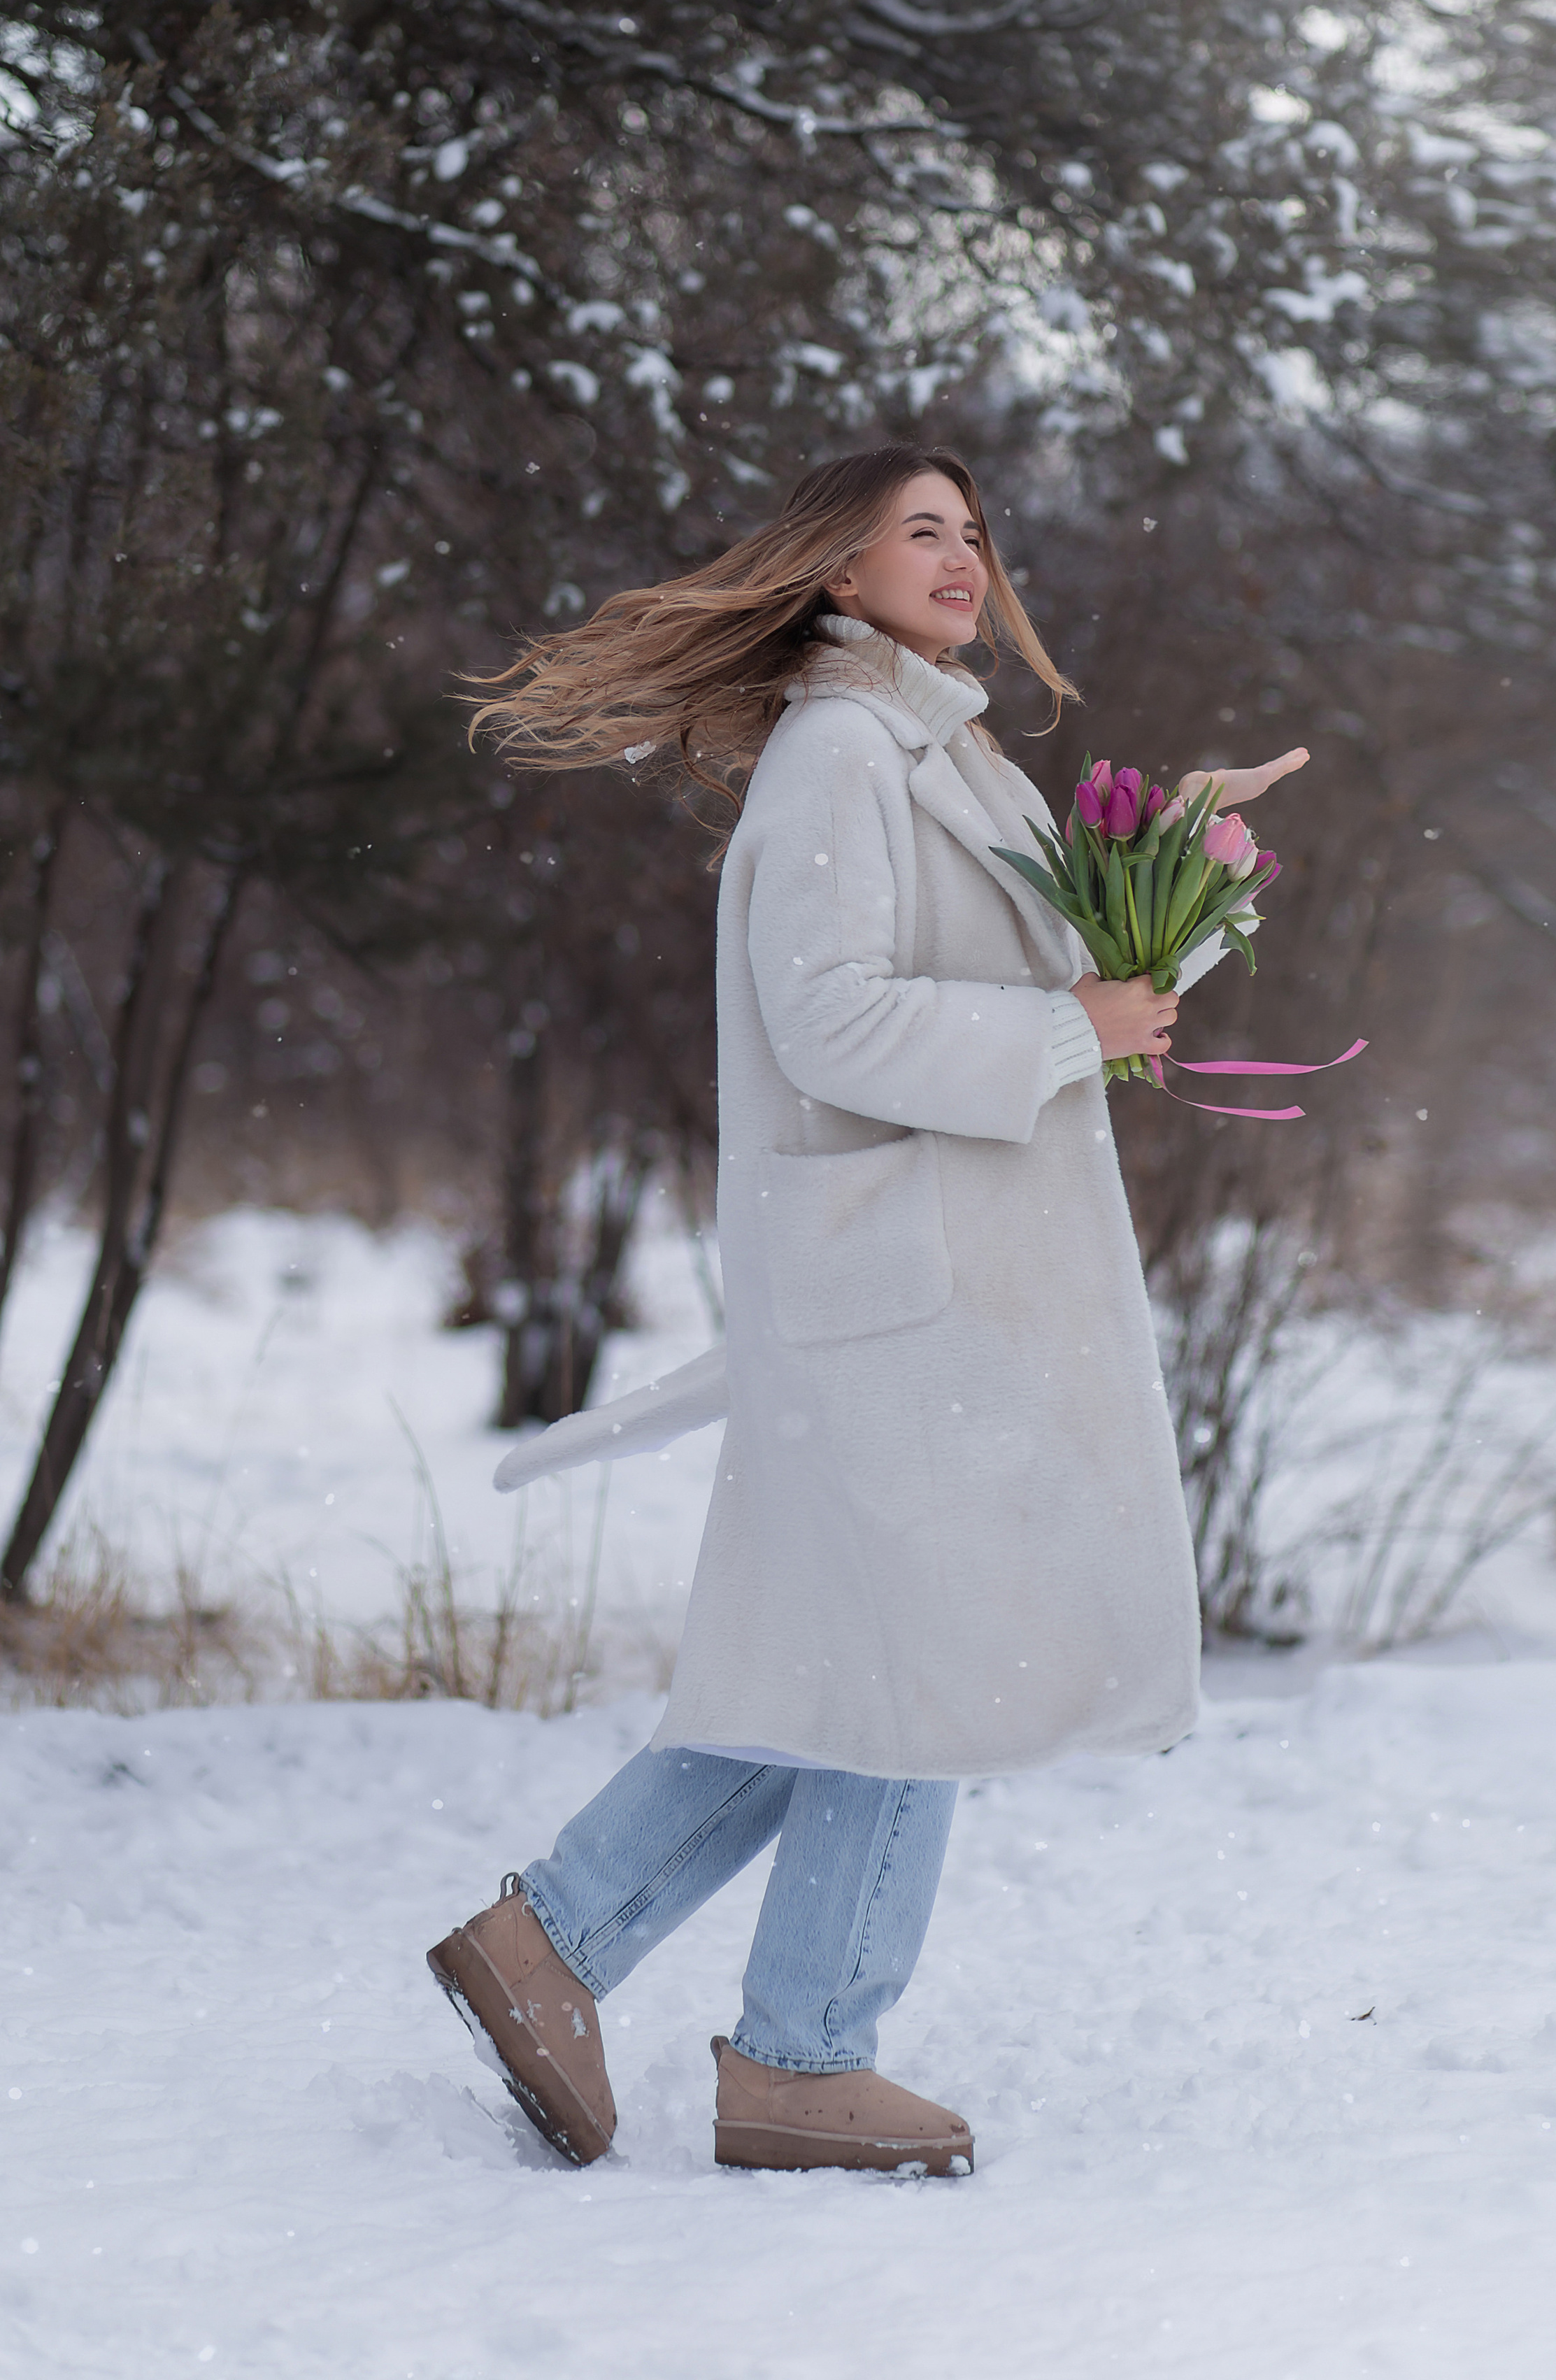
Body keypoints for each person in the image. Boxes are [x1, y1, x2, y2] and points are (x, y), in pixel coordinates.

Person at [427, 445, 1308, 2178]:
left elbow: (1079, 1000)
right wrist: (1069, 1032)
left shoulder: (945, 754)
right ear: (833, 571)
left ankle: (565, 1949)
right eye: (920, 530)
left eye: (971, 531)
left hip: (946, 1285)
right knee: (924, 1660)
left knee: (872, 1660)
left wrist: (1193, 874)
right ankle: (797, 2055)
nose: (960, 555)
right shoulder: (842, 756)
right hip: (900, 1288)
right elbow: (830, 1019)